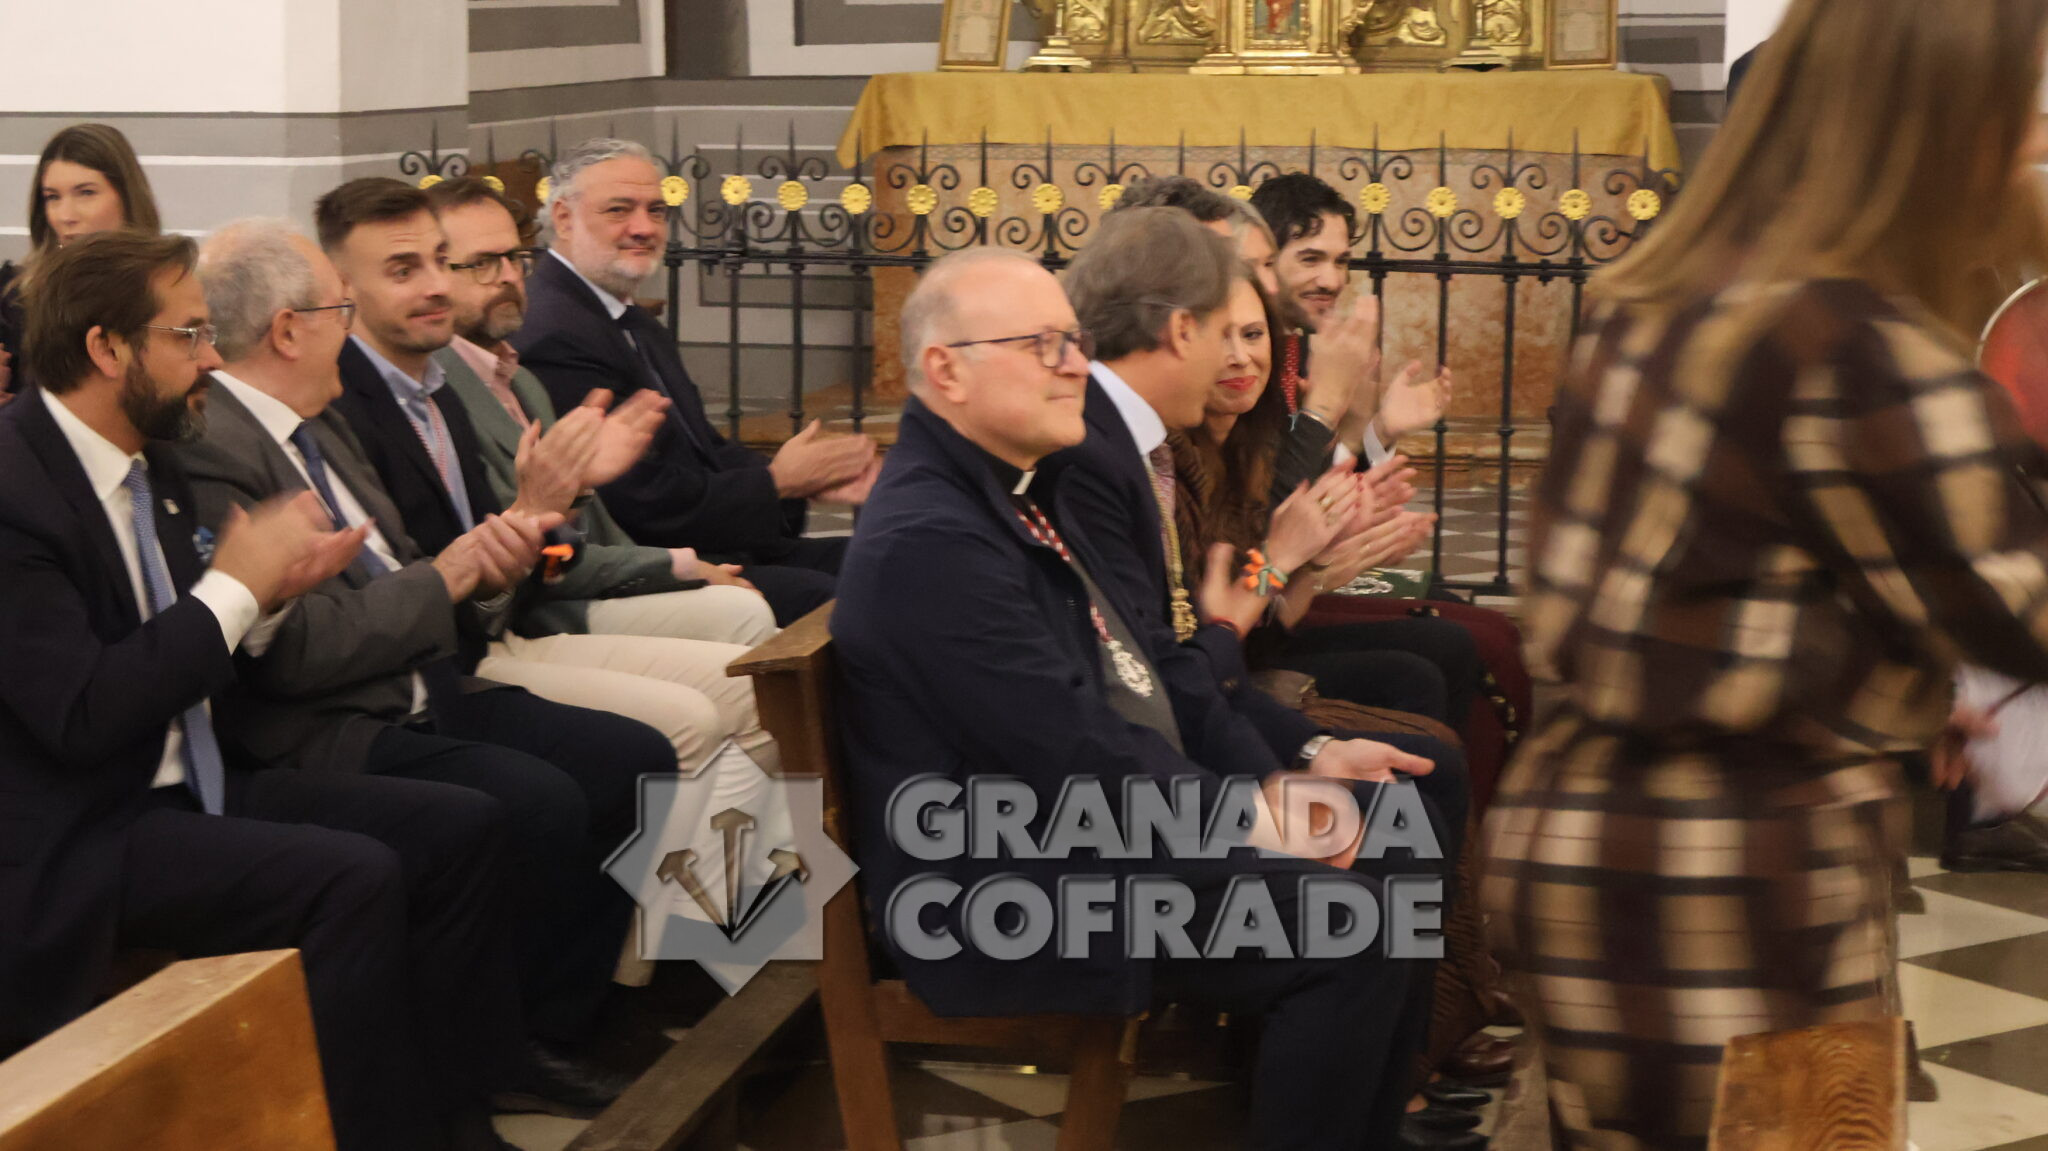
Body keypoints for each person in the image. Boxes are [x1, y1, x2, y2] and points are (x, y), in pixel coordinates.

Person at [1483, 2, 2048, 1147]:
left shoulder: (1655, 301)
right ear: (1947, 125)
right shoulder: (1861, 348)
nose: (2036, 139)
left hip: (1579, 839)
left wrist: (1867, 687)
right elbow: (2014, 609)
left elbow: (1681, 592)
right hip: (1732, 883)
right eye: (2023, 109)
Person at [834, 246, 1436, 1150]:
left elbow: (1144, 672)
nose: (1075, 365)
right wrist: (1254, 814)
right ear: (945, 370)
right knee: (1359, 926)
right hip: (1000, 883)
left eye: (1074, 341)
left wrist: (1286, 772)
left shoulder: (1017, 489)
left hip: (1080, 834)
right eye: (1041, 346)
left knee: (1397, 832)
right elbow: (1070, 750)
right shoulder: (932, 538)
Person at [0, 228, 522, 1151]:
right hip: (80, 825)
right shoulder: (15, 486)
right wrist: (237, 589)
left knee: (459, 827)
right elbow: (82, 714)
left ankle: (457, 1114)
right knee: (349, 880)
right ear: (107, 348)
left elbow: (203, 647)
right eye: (189, 335)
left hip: (195, 780)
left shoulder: (153, 454)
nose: (211, 359)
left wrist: (270, 599)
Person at [174, 218, 682, 1115]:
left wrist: (504, 552)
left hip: (427, 677)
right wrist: (456, 575)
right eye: (341, 307)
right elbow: (293, 652)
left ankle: (562, 1017)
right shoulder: (217, 447)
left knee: (636, 756)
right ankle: (507, 1048)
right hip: (333, 723)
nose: (351, 329)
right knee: (535, 798)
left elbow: (420, 572)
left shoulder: (319, 423)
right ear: (289, 329)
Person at [314, 177, 781, 777]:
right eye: (405, 270)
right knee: (689, 717)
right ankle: (714, 844)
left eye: (440, 260)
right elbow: (447, 577)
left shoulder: (439, 388)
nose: (437, 285)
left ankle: (767, 842)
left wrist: (566, 498)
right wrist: (549, 518)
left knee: (752, 680)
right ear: (343, 289)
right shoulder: (347, 403)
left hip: (506, 620)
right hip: (452, 661)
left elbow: (539, 561)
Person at [513, 138, 878, 624]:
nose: (643, 228)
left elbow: (707, 449)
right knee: (839, 601)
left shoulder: (626, 317)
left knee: (898, 558)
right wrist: (777, 482)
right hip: (644, 568)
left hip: (713, 539)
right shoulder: (555, 332)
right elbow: (639, 504)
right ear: (563, 217)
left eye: (656, 211)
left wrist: (796, 479)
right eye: (619, 210)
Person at [424, 175, 775, 645]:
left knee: (753, 603)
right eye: (483, 263)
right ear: (433, 277)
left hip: (578, 585)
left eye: (515, 257)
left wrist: (671, 571)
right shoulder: (442, 389)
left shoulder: (522, 381)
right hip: (530, 616)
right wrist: (680, 566)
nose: (508, 276)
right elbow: (544, 560)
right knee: (742, 614)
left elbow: (575, 545)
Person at [0, 123, 163, 400]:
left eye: (86, 193)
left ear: (127, 196)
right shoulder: (15, 297)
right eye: (52, 197)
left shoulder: (168, 292)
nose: (66, 215)